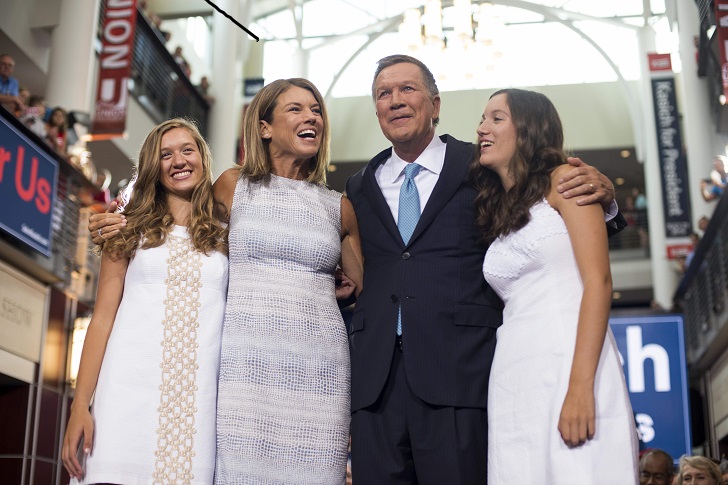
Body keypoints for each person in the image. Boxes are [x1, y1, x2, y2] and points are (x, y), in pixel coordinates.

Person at [344, 54, 624, 483]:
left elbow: (544, 202)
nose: (395, 100)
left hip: (459, 374)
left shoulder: (481, 167)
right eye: (384, 93)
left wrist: (604, 195)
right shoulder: (359, 185)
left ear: (435, 105)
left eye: (408, 89)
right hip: (376, 383)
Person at [88, 78, 364, 484]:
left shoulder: (339, 207)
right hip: (241, 370)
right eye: (297, 109)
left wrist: (342, 288)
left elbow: (360, 289)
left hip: (319, 367)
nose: (311, 117)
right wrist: (118, 222)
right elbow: (184, 225)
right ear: (264, 127)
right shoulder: (234, 186)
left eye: (317, 110)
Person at [473, 88, 637, 483]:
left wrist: (580, 386)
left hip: (568, 359)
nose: (481, 128)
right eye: (482, 118)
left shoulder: (567, 181)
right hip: (514, 373)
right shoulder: (500, 210)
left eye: (497, 118)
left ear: (530, 130)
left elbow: (598, 282)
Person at [61, 118, 229, 483]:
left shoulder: (227, 236)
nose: (179, 161)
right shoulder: (126, 230)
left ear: (203, 157)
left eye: (188, 150)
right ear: (154, 167)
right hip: (124, 393)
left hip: (193, 408)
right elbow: (102, 318)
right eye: (166, 155)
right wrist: (79, 406)